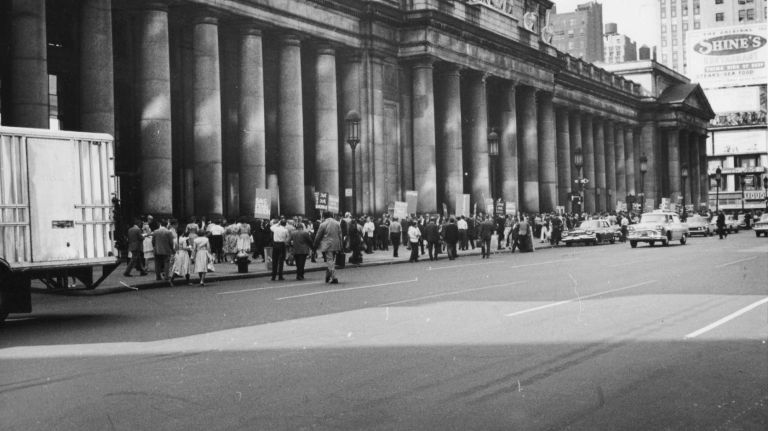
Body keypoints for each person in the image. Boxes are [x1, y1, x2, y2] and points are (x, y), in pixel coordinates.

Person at [313, 211, 343, 284]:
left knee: (329, 261)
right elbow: (340, 235)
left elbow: (318, 236)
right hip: (336, 244)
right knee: (331, 261)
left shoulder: (323, 224)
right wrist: (341, 245)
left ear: (324, 216)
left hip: (327, 245)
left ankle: (334, 277)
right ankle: (328, 276)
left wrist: (315, 245)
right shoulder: (337, 223)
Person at [152, 219, 176, 284]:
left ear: (160, 224)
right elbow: (171, 242)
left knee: (157, 263)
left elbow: (153, 241)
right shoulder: (168, 232)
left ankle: (158, 276)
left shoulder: (155, 231)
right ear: (166, 225)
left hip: (157, 249)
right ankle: (166, 276)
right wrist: (172, 250)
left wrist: (155, 247)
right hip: (166, 249)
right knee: (166, 263)